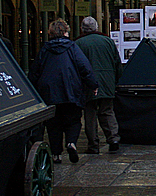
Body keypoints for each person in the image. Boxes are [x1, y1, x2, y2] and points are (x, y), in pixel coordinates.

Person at [30, 19, 98, 163]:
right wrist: (93, 85)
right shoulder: (72, 47)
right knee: (73, 120)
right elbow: (84, 67)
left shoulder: (45, 49)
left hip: (49, 93)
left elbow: (35, 72)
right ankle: (71, 143)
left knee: (53, 124)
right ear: (66, 32)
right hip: (71, 91)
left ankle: (56, 154)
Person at [76, 16, 121, 155]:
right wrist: (116, 81)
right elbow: (117, 63)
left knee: (89, 114)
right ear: (96, 27)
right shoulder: (107, 41)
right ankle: (113, 139)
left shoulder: (78, 43)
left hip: (87, 84)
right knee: (107, 111)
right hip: (107, 81)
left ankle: (93, 144)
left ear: (82, 29)